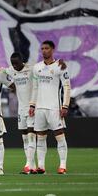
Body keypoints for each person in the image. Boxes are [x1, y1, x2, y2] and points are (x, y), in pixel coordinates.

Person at [29, 40, 71, 174]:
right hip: (40, 108)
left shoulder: (61, 66)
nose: (44, 51)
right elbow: (35, 87)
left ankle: (62, 165)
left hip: (54, 107)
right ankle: (41, 166)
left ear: (52, 49)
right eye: (42, 48)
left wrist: (65, 105)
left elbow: (67, 87)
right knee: (40, 137)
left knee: (59, 135)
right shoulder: (37, 67)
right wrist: (32, 105)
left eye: (46, 48)